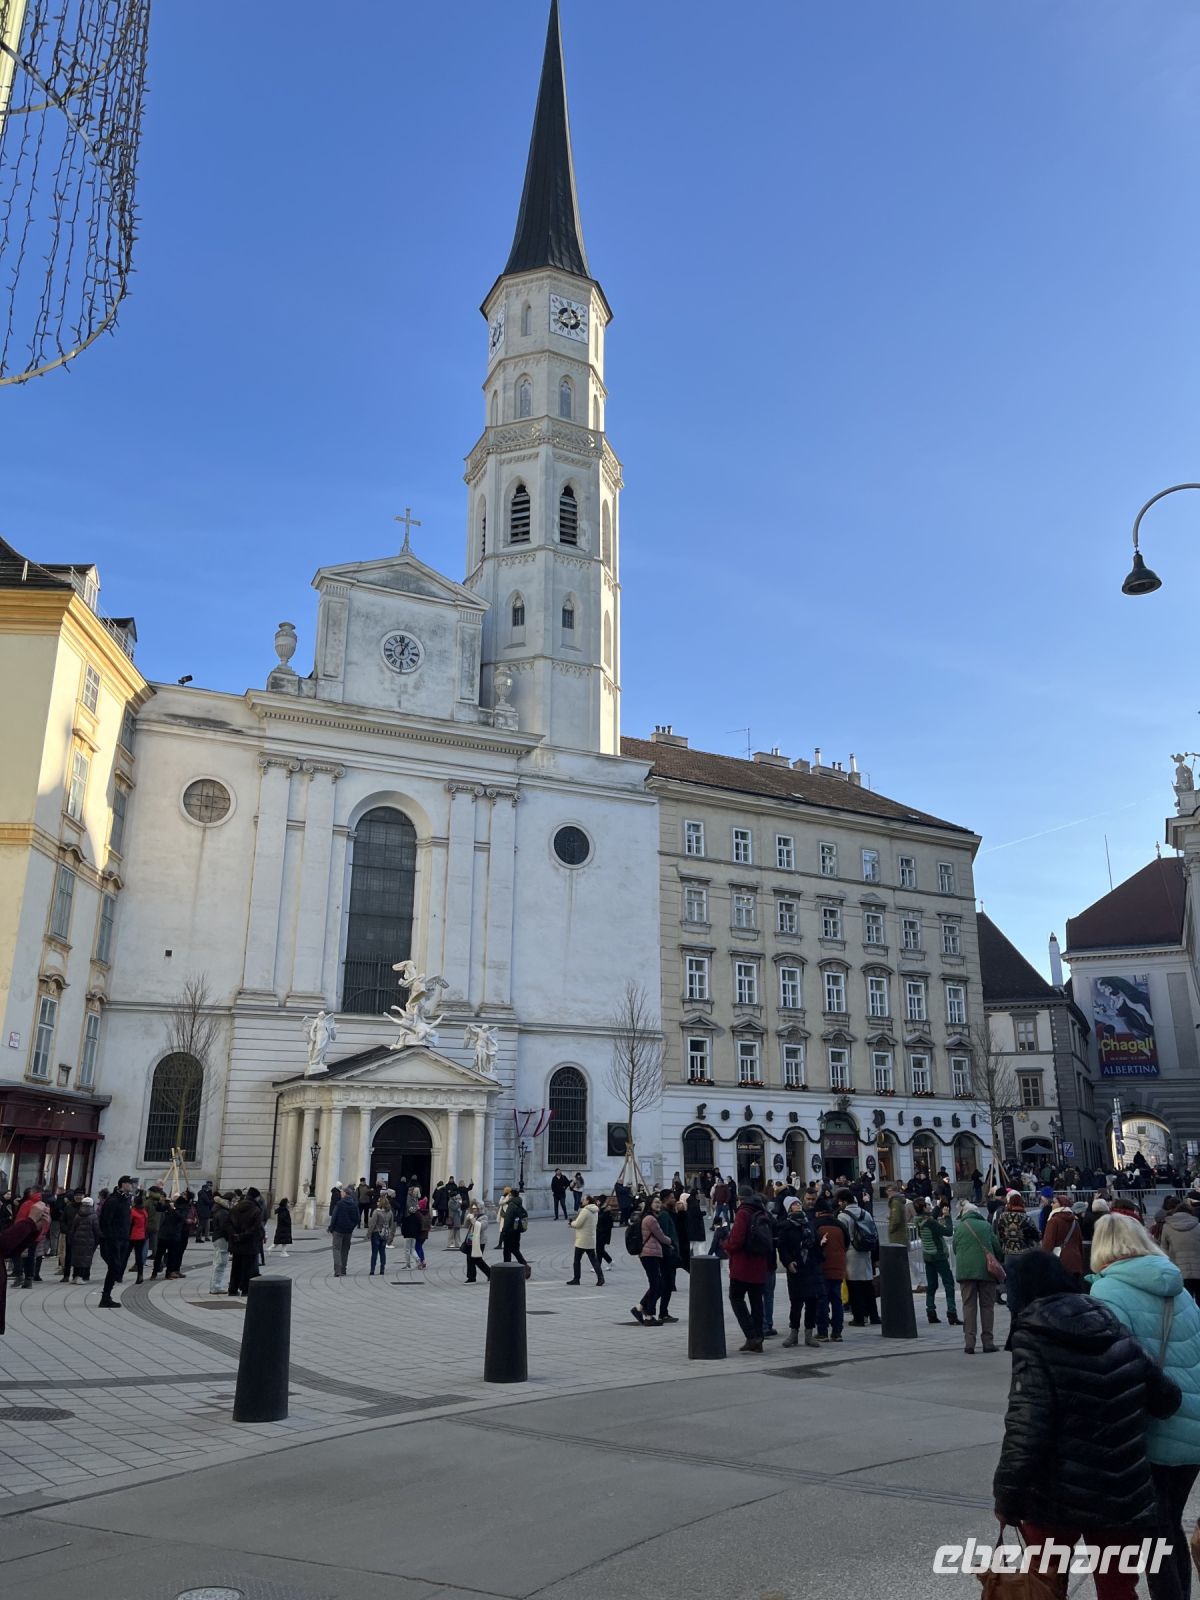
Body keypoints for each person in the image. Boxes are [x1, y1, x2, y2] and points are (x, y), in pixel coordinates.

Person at [994, 1249, 1182, 1600]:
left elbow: (1025, 1427)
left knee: (1046, 1587)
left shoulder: (1032, 1337)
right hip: (1121, 1492)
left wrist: (1006, 1497)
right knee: (1118, 1590)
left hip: (1053, 1495)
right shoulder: (1110, 1323)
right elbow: (1167, 1399)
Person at [1089, 1212, 1200, 1600]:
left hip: (1150, 1429)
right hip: (1192, 1425)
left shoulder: (1107, 1292)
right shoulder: (1177, 1287)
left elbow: (1111, 1367)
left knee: (1155, 1533)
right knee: (1168, 1524)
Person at [724, 1184, 771, 1351]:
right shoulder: (763, 1211)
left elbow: (736, 1241)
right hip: (760, 1264)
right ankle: (758, 1339)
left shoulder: (743, 1213)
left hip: (743, 1265)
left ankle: (752, 1336)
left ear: (739, 1198)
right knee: (757, 1302)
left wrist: (725, 1244)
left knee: (736, 1298)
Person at [953, 1201, 1002, 1354]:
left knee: (969, 1306)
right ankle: (988, 1342)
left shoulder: (960, 1227)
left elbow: (955, 1248)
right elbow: (997, 1248)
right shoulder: (986, 1226)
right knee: (987, 1306)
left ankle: (969, 1343)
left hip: (966, 1273)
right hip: (986, 1272)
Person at [777, 1197, 824, 1348]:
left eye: (798, 1203)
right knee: (796, 1302)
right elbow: (782, 1247)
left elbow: (815, 1242)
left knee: (812, 1301)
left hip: (811, 1267)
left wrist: (820, 1247)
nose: (797, 1205)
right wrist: (788, 1262)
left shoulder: (808, 1222)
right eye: (793, 1204)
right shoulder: (786, 1226)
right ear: (788, 1208)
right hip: (796, 1268)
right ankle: (794, 1333)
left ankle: (809, 1334)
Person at [837, 1187, 880, 1326]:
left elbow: (842, 1237)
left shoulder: (842, 1216)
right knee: (867, 1285)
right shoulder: (865, 1213)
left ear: (844, 1201)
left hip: (851, 1253)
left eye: (840, 1201)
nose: (839, 1204)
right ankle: (874, 1316)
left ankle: (859, 1317)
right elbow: (874, 1233)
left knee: (854, 1287)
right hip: (865, 1252)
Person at [913, 1198, 959, 1325]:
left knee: (932, 1284)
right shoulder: (930, 1222)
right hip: (938, 1255)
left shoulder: (919, 1220)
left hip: (928, 1255)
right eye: (928, 1205)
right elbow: (948, 1232)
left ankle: (931, 1311)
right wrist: (947, 1216)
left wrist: (938, 1207)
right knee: (949, 1283)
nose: (930, 1206)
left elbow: (931, 1218)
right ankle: (952, 1312)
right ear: (924, 1208)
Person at [630, 1195, 671, 1325]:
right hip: (649, 1254)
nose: (658, 1204)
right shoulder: (651, 1219)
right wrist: (670, 1241)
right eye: (655, 1202)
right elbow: (661, 1236)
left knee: (658, 1284)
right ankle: (649, 1316)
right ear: (650, 1204)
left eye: (659, 1202)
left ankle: (640, 1308)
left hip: (649, 1254)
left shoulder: (648, 1217)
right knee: (656, 1285)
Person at [813, 1192, 846, 1343]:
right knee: (837, 1300)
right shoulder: (840, 1225)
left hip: (822, 1266)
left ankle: (823, 1332)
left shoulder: (816, 1225)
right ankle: (837, 1332)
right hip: (838, 1266)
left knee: (822, 1300)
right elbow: (846, 1243)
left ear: (818, 1212)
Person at [98, 1175, 133, 1309]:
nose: (132, 1186)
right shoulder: (113, 1200)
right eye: (130, 1183)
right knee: (114, 1267)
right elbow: (105, 1221)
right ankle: (105, 1297)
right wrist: (110, 1237)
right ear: (123, 1184)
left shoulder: (125, 1200)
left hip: (123, 1239)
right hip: (113, 1240)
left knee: (116, 1268)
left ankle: (107, 1296)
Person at [1159, 1197, 1200, 1305]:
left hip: (1178, 1269)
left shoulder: (1167, 1227)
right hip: (1198, 1269)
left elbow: (1164, 1249)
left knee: (1185, 1302)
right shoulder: (1198, 1226)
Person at [227, 1193, 265, 1296]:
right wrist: (244, 1235)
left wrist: (235, 1235)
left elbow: (228, 1224)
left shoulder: (235, 1208)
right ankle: (245, 1289)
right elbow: (256, 1228)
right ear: (256, 1198)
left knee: (236, 1267)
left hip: (237, 1244)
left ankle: (232, 1289)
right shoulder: (256, 1210)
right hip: (250, 1244)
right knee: (249, 1268)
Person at [1041, 1191, 1084, 1274]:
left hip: (1060, 1262)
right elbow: (1079, 1243)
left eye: (1054, 1202)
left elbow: (1048, 1244)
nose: (1051, 1204)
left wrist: (1043, 1262)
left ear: (1061, 1205)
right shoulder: (1074, 1221)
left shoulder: (1054, 1221)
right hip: (1076, 1262)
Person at [568, 1194, 604, 1285]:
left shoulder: (585, 1211)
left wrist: (571, 1223)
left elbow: (578, 1224)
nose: (582, 1201)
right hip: (591, 1238)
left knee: (577, 1260)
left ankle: (576, 1279)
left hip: (582, 1240)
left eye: (583, 1199)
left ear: (588, 1201)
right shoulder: (595, 1210)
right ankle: (601, 1278)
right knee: (594, 1260)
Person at [67, 1198, 101, 1283]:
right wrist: (98, 1239)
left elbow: (73, 1228)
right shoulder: (93, 1216)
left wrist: (71, 1238)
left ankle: (74, 1276)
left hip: (77, 1240)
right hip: (89, 1240)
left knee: (77, 1258)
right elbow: (96, 1229)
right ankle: (80, 1277)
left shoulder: (78, 1214)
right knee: (84, 1259)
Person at [328, 1185, 359, 1277]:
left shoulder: (340, 1204)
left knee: (336, 1249)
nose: (341, 1194)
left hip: (338, 1230)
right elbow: (357, 1218)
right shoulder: (354, 1205)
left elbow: (334, 1217)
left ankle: (337, 1270)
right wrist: (351, 1227)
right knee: (345, 1250)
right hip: (348, 1231)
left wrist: (331, 1228)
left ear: (345, 1193)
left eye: (342, 1193)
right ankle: (343, 1269)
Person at [500, 1187, 531, 1274]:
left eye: (509, 1195)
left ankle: (507, 1271)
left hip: (509, 1232)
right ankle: (525, 1266)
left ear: (511, 1195)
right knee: (515, 1250)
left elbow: (508, 1220)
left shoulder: (511, 1205)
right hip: (517, 1231)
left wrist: (504, 1230)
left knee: (507, 1251)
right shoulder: (519, 1204)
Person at [159, 1196, 190, 1279]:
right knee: (174, 1253)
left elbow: (181, 1217)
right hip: (175, 1233)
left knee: (178, 1253)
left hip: (181, 1232)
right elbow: (160, 1209)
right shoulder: (174, 1206)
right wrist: (162, 1203)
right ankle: (172, 1271)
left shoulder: (184, 1207)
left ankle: (175, 1270)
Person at [209, 1192, 232, 1294]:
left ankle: (215, 1286)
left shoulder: (219, 1210)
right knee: (221, 1263)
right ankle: (216, 1286)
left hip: (218, 1238)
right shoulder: (223, 1212)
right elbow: (225, 1227)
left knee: (218, 1262)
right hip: (222, 1238)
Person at [367, 1193, 394, 1276]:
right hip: (385, 1234)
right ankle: (382, 1269)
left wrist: (369, 1233)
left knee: (374, 1252)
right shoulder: (390, 1212)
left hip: (376, 1233)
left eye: (378, 1201)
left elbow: (372, 1224)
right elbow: (391, 1224)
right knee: (382, 1252)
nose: (377, 1202)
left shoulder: (376, 1212)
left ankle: (372, 1270)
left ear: (381, 1203)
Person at [463, 1202, 490, 1283]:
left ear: (479, 1209)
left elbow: (481, 1227)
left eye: (476, 1208)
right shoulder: (472, 1216)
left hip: (479, 1242)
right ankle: (471, 1277)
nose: (474, 1210)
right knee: (469, 1259)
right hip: (471, 1240)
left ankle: (490, 1273)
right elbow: (465, 1226)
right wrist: (467, 1218)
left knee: (477, 1259)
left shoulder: (484, 1217)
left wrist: (473, 1220)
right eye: (473, 1208)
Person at [129, 1192, 149, 1284]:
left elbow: (129, 1224)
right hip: (141, 1236)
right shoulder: (144, 1212)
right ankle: (140, 1275)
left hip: (132, 1236)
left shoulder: (132, 1212)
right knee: (139, 1256)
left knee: (125, 1255)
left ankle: (119, 1274)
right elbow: (145, 1224)